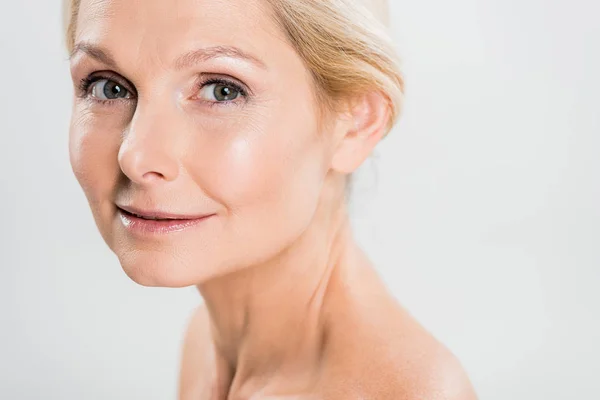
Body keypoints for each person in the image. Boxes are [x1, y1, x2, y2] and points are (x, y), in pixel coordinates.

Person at [63, 0, 477, 398]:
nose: (136, 156)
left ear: (355, 121)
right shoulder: (206, 343)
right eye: (108, 86)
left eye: (221, 90)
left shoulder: (406, 395)